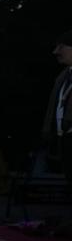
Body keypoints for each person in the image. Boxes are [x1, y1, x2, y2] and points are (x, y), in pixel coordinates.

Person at [42, 30, 72, 183]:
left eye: (61, 47)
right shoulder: (63, 76)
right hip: (64, 140)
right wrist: (48, 129)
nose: (56, 52)